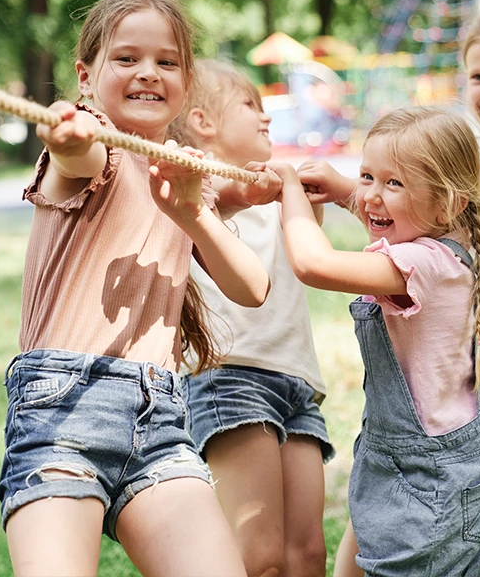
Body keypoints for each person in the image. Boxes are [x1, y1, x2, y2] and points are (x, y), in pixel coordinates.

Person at [0, 0, 270, 577]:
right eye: (127, 57)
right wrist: (69, 132)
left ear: (187, 82)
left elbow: (252, 287)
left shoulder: (180, 177)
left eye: (167, 62)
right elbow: (79, 151)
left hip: (160, 421)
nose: (148, 71)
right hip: (61, 411)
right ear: (86, 76)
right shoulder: (93, 152)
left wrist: (193, 211)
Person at [274, 106, 480, 576]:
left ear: (448, 203)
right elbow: (394, 208)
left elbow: (314, 265)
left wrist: (290, 193)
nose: (371, 196)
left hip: (433, 482)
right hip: (430, 468)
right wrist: (347, 187)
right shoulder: (453, 235)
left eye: (394, 183)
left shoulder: (421, 264)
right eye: (368, 175)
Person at [171, 60, 334, 577]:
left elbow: (314, 254)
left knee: (307, 554)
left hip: (297, 380)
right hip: (231, 376)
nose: (266, 118)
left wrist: (297, 191)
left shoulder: (278, 192)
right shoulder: (190, 192)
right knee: (259, 557)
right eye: (251, 106)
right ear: (203, 122)